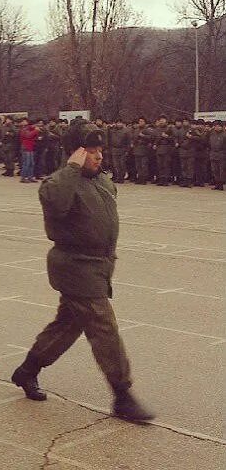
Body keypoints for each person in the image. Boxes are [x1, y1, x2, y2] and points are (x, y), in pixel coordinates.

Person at [10, 120, 154, 422]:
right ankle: (122, 395)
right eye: (91, 151)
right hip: (75, 267)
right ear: (75, 154)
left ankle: (27, 370)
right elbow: (56, 204)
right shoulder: (57, 184)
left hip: (98, 266)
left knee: (67, 326)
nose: (99, 156)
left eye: (100, 150)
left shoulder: (101, 180)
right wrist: (72, 169)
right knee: (103, 327)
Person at [19, 119, 39, 183]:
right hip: (26, 147)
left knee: (31, 163)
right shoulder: (24, 129)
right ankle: (23, 177)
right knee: (26, 163)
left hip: (31, 147)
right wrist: (36, 130)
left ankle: (30, 177)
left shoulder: (31, 129)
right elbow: (28, 136)